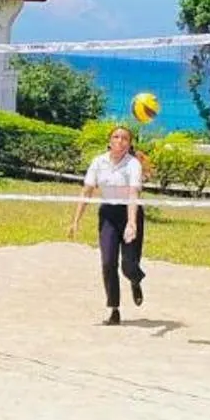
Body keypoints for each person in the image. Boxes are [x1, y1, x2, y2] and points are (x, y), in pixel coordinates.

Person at [67, 124, 147, 326]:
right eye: (116, 137)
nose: (119, 141)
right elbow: (87, 191)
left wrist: (131, 223)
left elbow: (133, 194)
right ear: (110, 140)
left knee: (128, 265)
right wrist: (75, 221)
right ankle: (114, 309)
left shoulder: (132, 164)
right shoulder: (99, 162)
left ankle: (135, 280)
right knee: (107, 262)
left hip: (130, 212)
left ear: (129, 144)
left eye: (124, 138)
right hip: (109, 215)